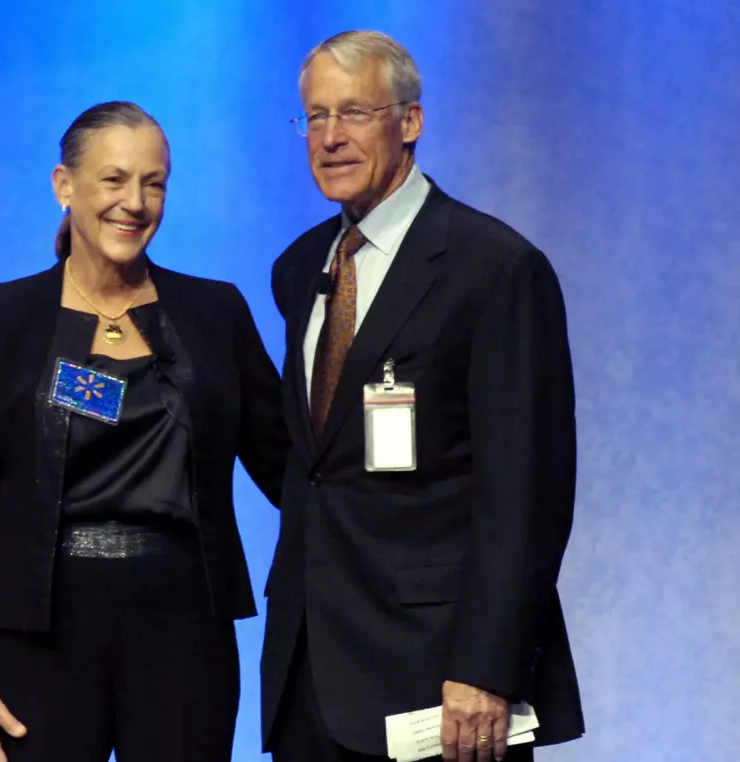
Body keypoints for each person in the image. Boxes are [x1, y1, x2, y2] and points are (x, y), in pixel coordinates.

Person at [0, 101, 289, 762]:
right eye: (114, 180)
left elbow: (294, 473)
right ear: (64, 185)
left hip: (185, 633)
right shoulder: (1, 317)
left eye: (154, 182)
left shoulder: (216, 311)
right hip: (38, 639)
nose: (135, 202)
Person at [262, 30, 584, 762]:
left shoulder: (494, 268)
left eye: (354, 113)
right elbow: (313, 464)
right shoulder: (299, 267)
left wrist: (485, 669)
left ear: (410, 121)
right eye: (315, 117)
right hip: (310, 676)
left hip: (440, 682)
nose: (331, 137)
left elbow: (526, 494)